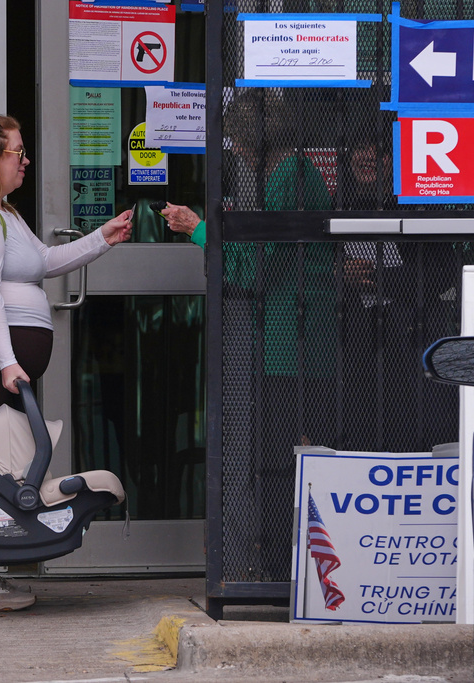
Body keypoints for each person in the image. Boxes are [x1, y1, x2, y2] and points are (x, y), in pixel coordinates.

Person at [0, 114, 133, 610]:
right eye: (15, 152)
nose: (24, 160)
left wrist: (101, 239)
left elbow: (43, 262)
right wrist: (6, 360)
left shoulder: (2, 211)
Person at [159, 91, 333, 581]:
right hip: (295, 338)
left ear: (256, 142)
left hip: (291, 344)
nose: (232, 148)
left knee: (280, 458)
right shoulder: (288, 177)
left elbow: (254, 269)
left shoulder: (286, 181)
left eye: (236, 137)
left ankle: (281, 567)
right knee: (282, 453)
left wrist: (197, 229)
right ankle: (282, 561)